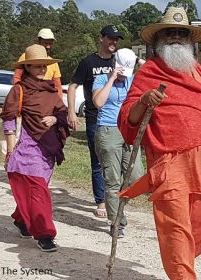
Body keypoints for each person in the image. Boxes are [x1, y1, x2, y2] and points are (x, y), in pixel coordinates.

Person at [117, 7, 201, 279]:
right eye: (170, 33)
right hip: (169, 161)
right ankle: (181, 270)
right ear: (159, 39)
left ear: (191, 40)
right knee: (176, 228)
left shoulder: (197, 72)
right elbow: (127, 116)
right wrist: (144, 100)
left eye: (182, 33)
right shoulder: (150, 71)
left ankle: (182, 260)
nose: (176, 38)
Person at [0, 44, 69, 252]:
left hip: (48, 150)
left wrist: (54, 119)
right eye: (36, 66)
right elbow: (9, 119)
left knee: (37, 189)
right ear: (27, 67)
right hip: (26, 149)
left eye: (44, 66)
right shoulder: (18, 90)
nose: (41, 70)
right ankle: (45, 234)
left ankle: (21, 220)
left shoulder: (50, 90)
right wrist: (11, 149)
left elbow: (62, 114)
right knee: (38, 191)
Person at [67, 25, 124, 218]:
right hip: (95, 118)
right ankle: (101, 201)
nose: (114, 42)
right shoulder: (88, 62)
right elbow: (73, 86)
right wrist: (72, 113)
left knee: (120, 163)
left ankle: (115, 199)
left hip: (119, 120)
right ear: (101, 38)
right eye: (110, 38)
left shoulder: (119, 62)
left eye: (116, 39)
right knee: (98, 161)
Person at [92, 48, 144, 237]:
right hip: (108, 130)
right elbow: (98, 102)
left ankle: (118, 204)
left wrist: (137, 60)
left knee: (136, 176)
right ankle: (116, 222)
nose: (124, 77)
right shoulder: (102, 79)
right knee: (112, 179)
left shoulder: (133, 79)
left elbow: (151, 72)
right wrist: (112, 78)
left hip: (128, 129)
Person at [13, 28, 63, 97]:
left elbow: (58, 86)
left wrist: (59, 103)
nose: (48, 46)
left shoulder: (53, 63)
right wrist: (18, 93)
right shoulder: (26, 57)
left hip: (46, 100)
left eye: (50, 44)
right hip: (27, 97)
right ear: (39, 41)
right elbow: (17, 77)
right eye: (45, 43)